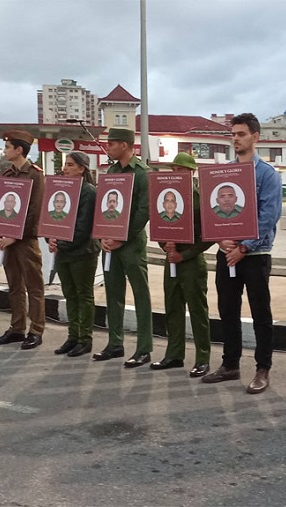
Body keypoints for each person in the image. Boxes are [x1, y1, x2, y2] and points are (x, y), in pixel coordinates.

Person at [201, 113, 282, 393]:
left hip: (255, 255)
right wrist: (221, 241)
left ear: (255, 137)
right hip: (226, 252)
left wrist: (245, 246)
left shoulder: (267, 174)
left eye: (241, 134)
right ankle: (230, 364)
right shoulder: (224, 174)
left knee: (261, 313)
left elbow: (269, 215)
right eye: (233, 134)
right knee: (227, 310)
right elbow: (212, 212)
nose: (236, 139)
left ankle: (263, 369)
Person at [93, 128, 154, 367]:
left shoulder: (141, 174)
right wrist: (103, 236)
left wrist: (122, 238)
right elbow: (103, 207)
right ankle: (115, 343)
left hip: (131, 244)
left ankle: (144, 348)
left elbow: (143, 211)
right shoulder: (112, 171)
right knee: (113, 293)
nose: (108, 148)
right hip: (110, 243)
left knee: (141, 295)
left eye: (112, 144)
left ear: (126, 145)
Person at [152, 153, 213, 377]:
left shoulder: (199, 198)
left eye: (180, 170)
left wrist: (184, 254)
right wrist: (164, 246)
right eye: (173, 169)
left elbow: (209, 235)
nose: (176, 174)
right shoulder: (166, 196)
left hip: (191, 263)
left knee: (197, 311)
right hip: (171, 261)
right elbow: (160, 223)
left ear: (191, 172)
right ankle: (174, 354)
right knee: (173, 309)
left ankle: (203, 358)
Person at [0, 130, 45, 350]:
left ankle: (36, 330)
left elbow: (35, 210)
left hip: (25, 240)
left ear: (19, 149)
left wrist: (15, 236)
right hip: (7, 240)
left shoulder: (34, 174)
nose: (5, 151)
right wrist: (0, 231)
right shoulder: (7, 174)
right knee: (14, 284)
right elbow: (0, 206)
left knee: (33, 286)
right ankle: (16, 328)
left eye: (8, 147)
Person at [50, 152, 100, 357]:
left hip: (83, 252)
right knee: (69, 295)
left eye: (70, 165)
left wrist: (60, 243)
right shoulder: (62, 191)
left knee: (83, 295)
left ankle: (85, 339)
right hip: (63, 252)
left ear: (82, 169)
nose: (65, 169)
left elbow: (83, 227)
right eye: (65, 165)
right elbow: (52, 218)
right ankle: (72, 336)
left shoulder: (88, 192)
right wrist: (50, 238)